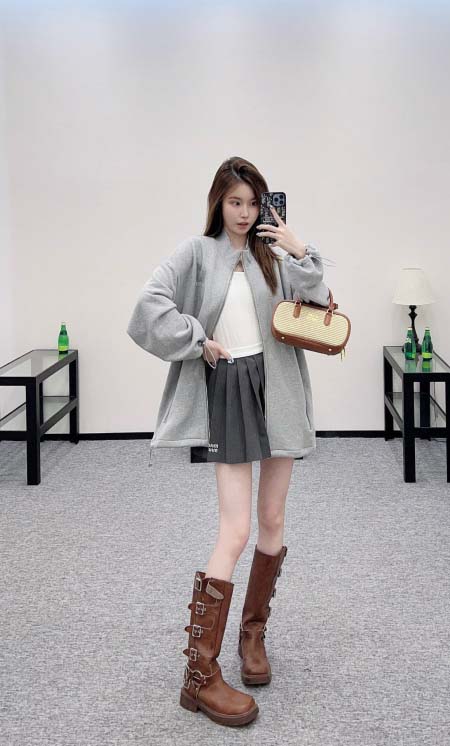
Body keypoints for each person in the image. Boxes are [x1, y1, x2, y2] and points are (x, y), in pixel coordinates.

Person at [126, 156, 332, 727]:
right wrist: (197, 340)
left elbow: (320, 302)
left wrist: (298, 248)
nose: (243, 213)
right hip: (232, 389)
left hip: (280, 389)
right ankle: (199, 674)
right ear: (218, 203)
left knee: (272, 519)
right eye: (234, 202)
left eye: (252, 203)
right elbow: (147, 308)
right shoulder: (197, 252)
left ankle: (253, 635)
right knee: (235, 529)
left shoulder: (274, 255)